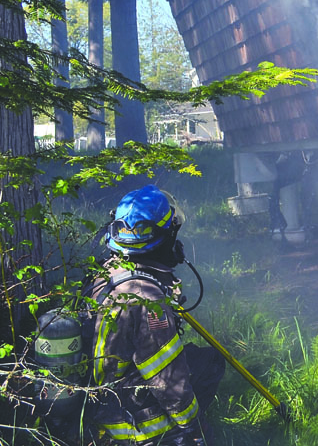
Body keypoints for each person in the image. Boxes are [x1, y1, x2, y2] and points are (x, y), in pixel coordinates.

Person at [86, 185, 225, 445]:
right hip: (125, 421)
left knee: (203, 358)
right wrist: (194, 427)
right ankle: (169, 436)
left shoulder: (108, 273)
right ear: (166, 237)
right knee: (210, 364)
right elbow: (167, 375)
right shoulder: (147, 300)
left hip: (99, 397)